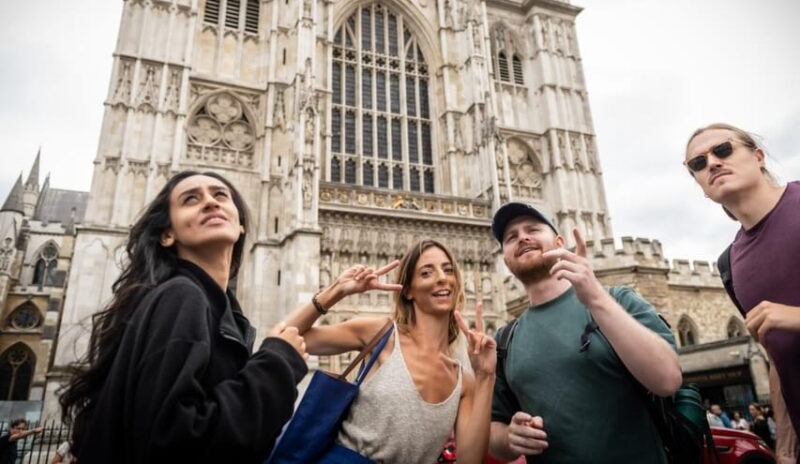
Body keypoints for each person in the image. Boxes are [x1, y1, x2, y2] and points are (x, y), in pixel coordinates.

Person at [58, 171, 308, 464]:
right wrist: (277, 363)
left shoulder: (203, 301)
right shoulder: (181, 296)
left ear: (240, 224)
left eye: (220, 195)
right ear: (167, 234)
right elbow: (172, 441)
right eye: (191, 199)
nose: (210, 203)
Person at [487, 202, 683, 463]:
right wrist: (510, 437)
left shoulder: (618, 300)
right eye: (511, 237)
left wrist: (595, 299)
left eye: (532, 229)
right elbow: (494, 432)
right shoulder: (505, 341)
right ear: (506, 261)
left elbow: (667, 381)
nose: (522, 237)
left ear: (559, 242)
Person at [281, 238, 497, 464]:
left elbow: (471, 460)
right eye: (426, 273)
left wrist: (486, 375)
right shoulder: (381, 334)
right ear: (408, 291)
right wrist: (336, 291)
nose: (442, 278)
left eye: (448, 270)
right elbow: (283, 337)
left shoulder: (463, 380)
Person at [685, 123, 800, 462]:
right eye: (698, 163)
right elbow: (779, 360)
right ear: (701, 186)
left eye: (723, 150)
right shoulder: (730, 265)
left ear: (759, 156)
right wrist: (787, 450)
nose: (712, 163)